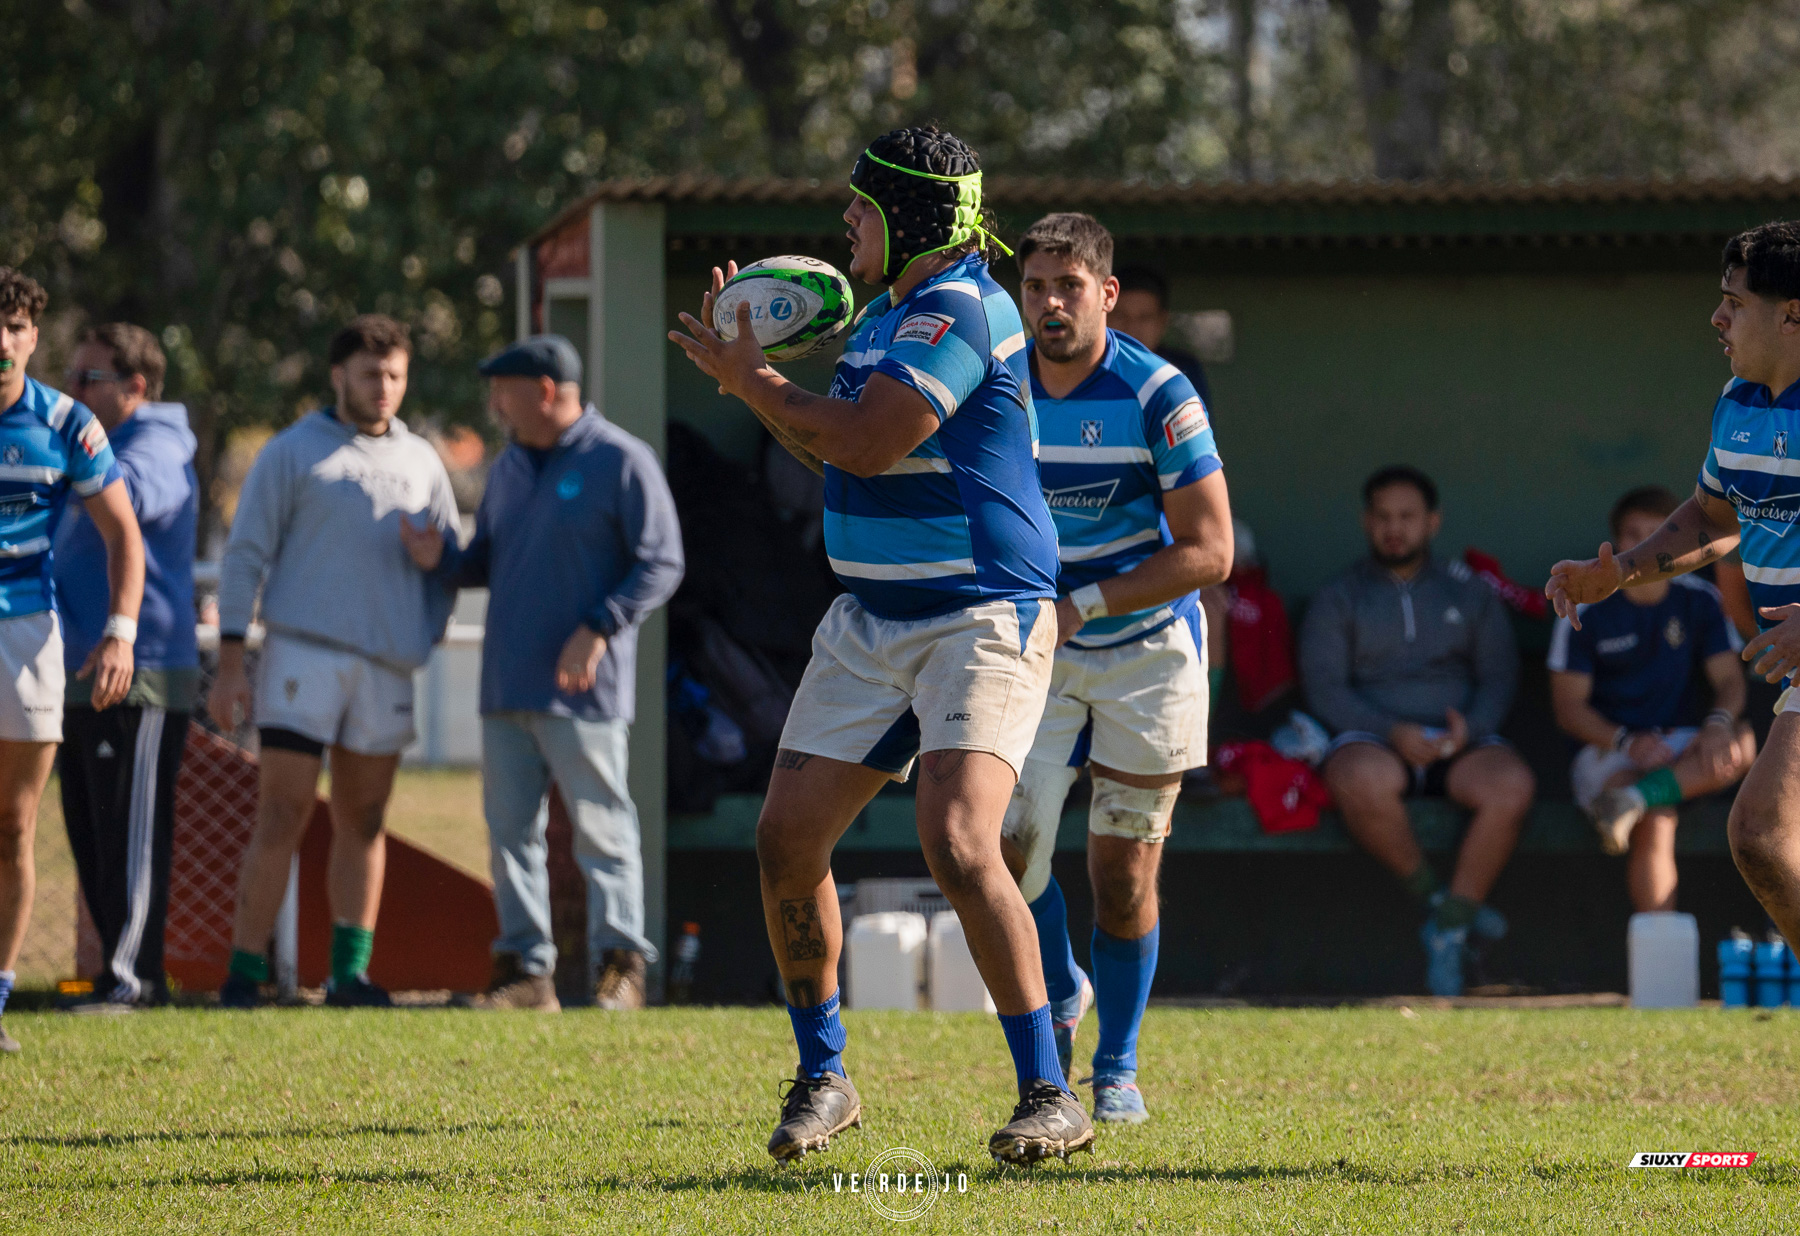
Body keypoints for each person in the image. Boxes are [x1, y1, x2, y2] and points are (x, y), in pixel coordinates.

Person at [669, 125, 1094, 1166]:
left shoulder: (956, 307)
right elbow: (822, 440)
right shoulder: (888, 315)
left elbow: (862, 440)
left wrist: (753, 383)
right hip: (869, 621)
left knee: (956, 840)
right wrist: (755, 377)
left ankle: (1050, 1091)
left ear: (907, 216)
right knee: (785, 840)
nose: (845, 224)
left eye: (861, 208)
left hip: (981, 615)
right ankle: (824, 1076)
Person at [996, 213, 1232, 1125]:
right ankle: (1060, 987)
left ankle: (1118, 1067)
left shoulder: (1158, 392)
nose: (1050, 305)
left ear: (1107, 296)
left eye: (1068, 287)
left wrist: (1083, 605)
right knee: (1005, 844)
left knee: (1123, 872)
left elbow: (1210, 553)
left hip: (1145, 651)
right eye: (1035, 288)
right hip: (1035, 649)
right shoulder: (996, 386)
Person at [401, 335, 684, 1013]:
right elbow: (486, 563)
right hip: (507, 685)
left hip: (585, 692)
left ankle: (623, 969)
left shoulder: (621, 460)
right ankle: (527, 973)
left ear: (547, 391)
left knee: (601, 827)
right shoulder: (506, 469)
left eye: (505, 390)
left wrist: (598, 627)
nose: (495, 406)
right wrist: (440, 558)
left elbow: (662, 562)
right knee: (509, 832)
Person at [1549, 220, 1800, 950]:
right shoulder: (1739, 405)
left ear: (1792, 313)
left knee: (1760, 830)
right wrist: (1616, 573)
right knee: (1761, 837)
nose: (1718, 318)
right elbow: (1713, 518)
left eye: (1735, 302)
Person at [211, 315, 459, 1009]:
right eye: (370, 373)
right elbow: (245, 555)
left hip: (386, 667)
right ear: (338, 376)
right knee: (282, 811)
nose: (384, 388)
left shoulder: (422, 460)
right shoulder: (293, 452)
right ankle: (244, 971)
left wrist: (427, 626)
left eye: (395, 375)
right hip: (303, 655)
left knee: (366, 818)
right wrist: (231, 660)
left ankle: (349, 974)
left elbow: (451, 560)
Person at [1300, 466, 1533, 997]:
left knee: (1511, 785)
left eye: (1407, 517)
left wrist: (1469, 729)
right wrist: (1392, 729)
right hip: (1377, 740)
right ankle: (1441, 906)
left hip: (1460, 741)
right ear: (1366, 522)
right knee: (1358, 777)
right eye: (1382, 517)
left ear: (1432, 522)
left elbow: (1500, 677)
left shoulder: (1468, 591)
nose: (1394, 529)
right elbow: (1326, 690)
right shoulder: (1340, 596)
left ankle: (1450, 924)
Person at [0, 269, 143, 1051]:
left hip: (26, 638)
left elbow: (124, 532)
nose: (1, 340)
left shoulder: (66, 422)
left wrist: (120, 629)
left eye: (15, 326)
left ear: (31, 336)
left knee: (13, 826)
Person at [53, 323, 198, 1009]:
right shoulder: (91, 445)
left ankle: (136, 979)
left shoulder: (158, 442)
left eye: (89, 380)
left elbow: (129, 501)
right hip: (75, 668)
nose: (73, 393)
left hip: (139, 672)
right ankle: (115, 971)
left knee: (130, 834)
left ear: (135, 387)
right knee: (91, 835)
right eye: (71, 378)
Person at [1548, 486, 1754, 910]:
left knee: (1745, 741)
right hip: (1610, 749)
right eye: (1632, 535)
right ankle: (1660, 959)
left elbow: (1730, 682)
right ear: (1614, 543)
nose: (1644, 546)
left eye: (1656, 534)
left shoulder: (1700, 598)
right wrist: (1627, 742)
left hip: (1682, 744)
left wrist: (1717, 725)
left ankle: (1636, 798)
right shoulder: (1585, 605)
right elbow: (1569, 710)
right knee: (1656, 818)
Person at [1106, 265, 1213, 409]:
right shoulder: (1087, 370)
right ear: (1104, 316)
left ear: (1162, 321)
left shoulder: (1181, 372)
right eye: (1120, 316)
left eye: (1144, 318)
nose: (1132, 328)